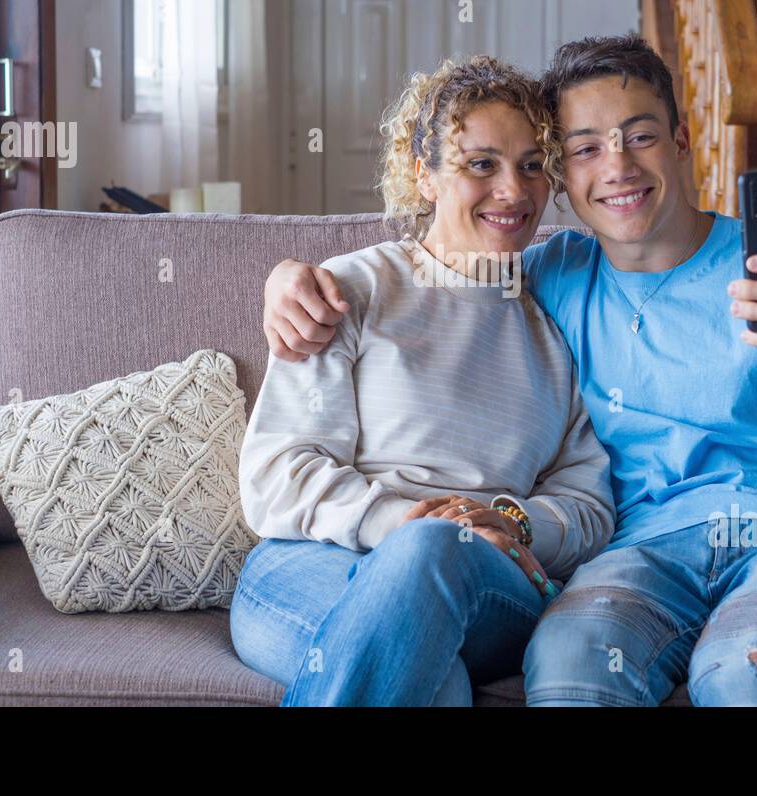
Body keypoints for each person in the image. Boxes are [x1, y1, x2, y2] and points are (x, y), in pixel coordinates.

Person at [261, 34, 757, 706]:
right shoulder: (550, 277)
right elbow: (448, 273)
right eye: (586, 148)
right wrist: (289, 280)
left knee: (747, 666)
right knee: (567, 659)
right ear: (570, 173)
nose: (616, 166)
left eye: (639, 136)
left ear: (681, 143)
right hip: (643, 558)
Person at [230, 55, 616, 706]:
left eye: (530, 166)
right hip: (313, 563)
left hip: (487, 578)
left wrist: (508, 520)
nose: (514, 192)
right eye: (481, 164)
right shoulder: (350, 289)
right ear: (425, 175)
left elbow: (590, 506)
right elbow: (277, 472)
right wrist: (405, 524)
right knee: (436, 683)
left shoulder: (556, 322)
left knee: (437, 551)